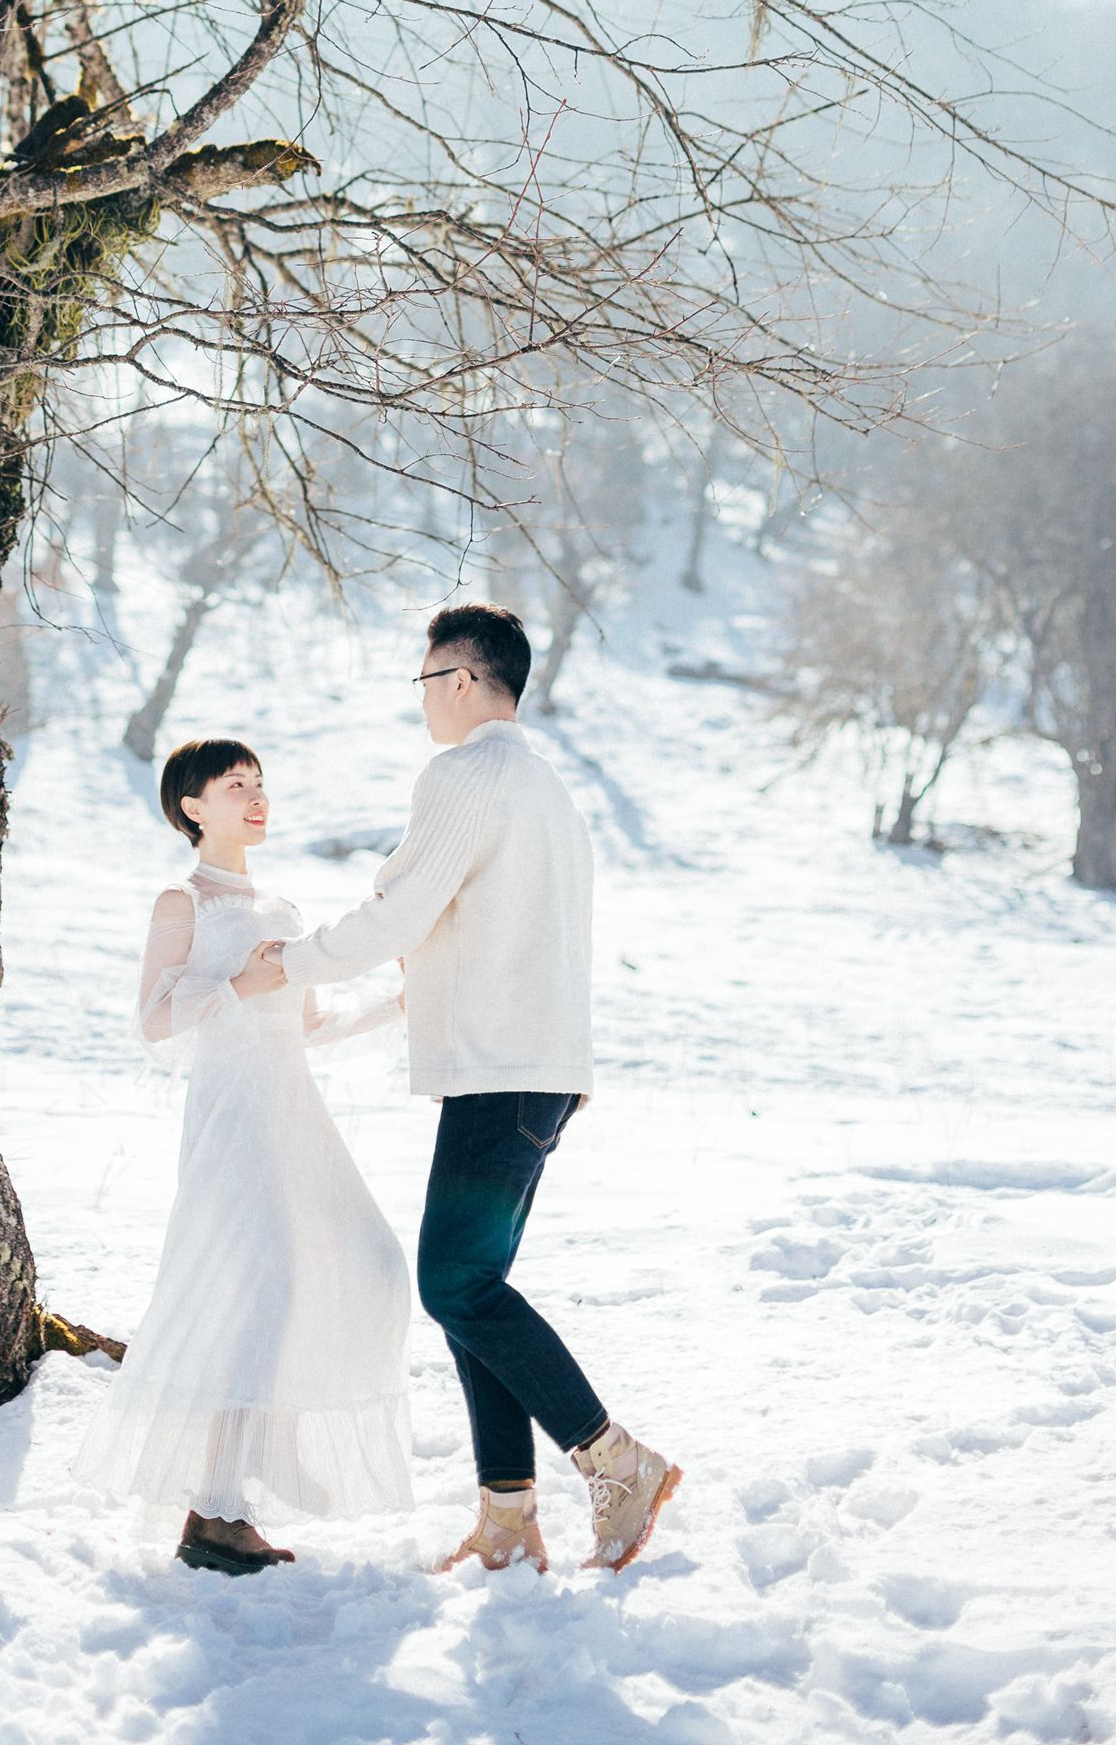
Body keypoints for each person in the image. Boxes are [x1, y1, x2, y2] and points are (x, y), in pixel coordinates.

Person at [269, 600, 681, 1576]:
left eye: (422, 682)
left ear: (460, 679)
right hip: (538, 1072)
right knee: (471, 1290)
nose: (420, 704)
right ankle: (505, 1515)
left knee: (452, 1284)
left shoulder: (464, 773)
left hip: (501, 1071)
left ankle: (614, 1460)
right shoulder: (544, 787)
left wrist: (285, 965)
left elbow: (397, 910)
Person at [74, 737, 412, 1574]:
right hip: (231, 1121)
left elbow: (312, 1027)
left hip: (296, 1116)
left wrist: (402, 1000)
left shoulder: (284, 910)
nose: (257, 797)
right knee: (261, 1294)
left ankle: (265, 1445)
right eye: (236, 786)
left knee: (371, 1267)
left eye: (261, 784)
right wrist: (239, 987)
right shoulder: (181, 900)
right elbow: (154, 1021)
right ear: (193, 807)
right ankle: (215, 1514)